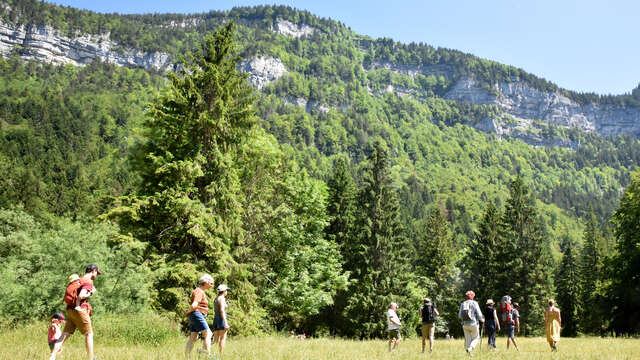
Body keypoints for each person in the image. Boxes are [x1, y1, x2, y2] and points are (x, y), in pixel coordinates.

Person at [61, 264, 102, 360]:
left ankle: (53, 353)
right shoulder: (88, 281)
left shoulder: (79, 280)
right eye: (97, 273)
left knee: (66, 333)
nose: (96, 275)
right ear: (93, 271)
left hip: (69, 309)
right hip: (79, 309)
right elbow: (81, 296)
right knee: (89, 334)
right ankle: (91, 358)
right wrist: (91, 292)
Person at [184, 274, 215, 359]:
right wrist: (187, 312)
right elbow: (194, 305)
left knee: (194, 337)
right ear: (206, 282)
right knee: (208, 333)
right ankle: (207, 356)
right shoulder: (199, 291)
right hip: (197, 314)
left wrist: (188, 312)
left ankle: (187, 357)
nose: (212, 285)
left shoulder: (199, 291)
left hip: (195, 315)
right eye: (211, 283)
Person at [458, 290, 484, 356]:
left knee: (468, 339)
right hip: (473, 323)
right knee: (476, 337)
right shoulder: (474, 303)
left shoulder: (463, 303)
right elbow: (479, 314)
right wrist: (482, 320)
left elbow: (459, 316)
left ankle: (469, 354)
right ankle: (470, 348)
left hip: (464, 324)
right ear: (472, 296)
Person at [212, 284, 231, 357]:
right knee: (222, 338)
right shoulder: (222, 298)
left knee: (215, 340)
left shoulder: (216, 298)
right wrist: (225, 322)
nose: (227, 292)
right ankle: (221, 355)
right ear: (224, 291)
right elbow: (222, 310)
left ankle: (203, 348)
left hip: (216, 319)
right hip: (221, 319)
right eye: (226, 290)